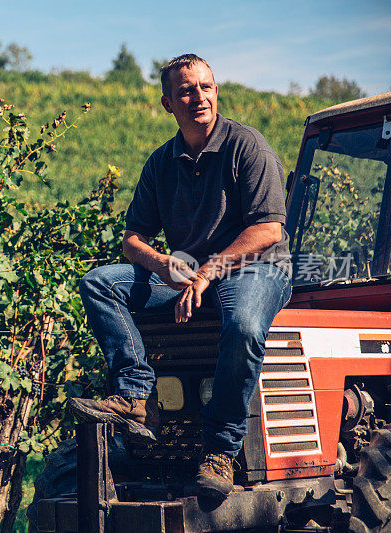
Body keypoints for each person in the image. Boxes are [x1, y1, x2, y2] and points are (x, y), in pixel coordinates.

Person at [67, 54, 292, 500]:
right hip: (190, 274)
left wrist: (208, 271)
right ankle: (136, 395)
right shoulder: (160, 163)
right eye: (186, 90)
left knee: (245, 325)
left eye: (206, 87)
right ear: (168, 103)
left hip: (255, 268)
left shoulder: (247, 146)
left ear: (216, 90)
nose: (199, 97)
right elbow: (132, 240)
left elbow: (269, 230)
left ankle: (222, 450)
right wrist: (162, 264)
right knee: (98, 283)